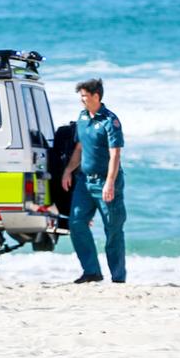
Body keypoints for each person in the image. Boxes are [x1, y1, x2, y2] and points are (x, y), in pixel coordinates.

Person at [60, 78, 127, 284]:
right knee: (77, 222)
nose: (81, 100)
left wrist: (109, 182)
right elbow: (80, 148)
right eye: (80, 97)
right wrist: (68, 171)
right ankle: (92, 271)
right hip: (84, 182)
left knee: (113, 229)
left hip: (106, 183)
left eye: (84, 97)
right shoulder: (82, 117)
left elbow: (115, 154)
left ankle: (118, 277)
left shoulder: (110, 120)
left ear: (96, 96)